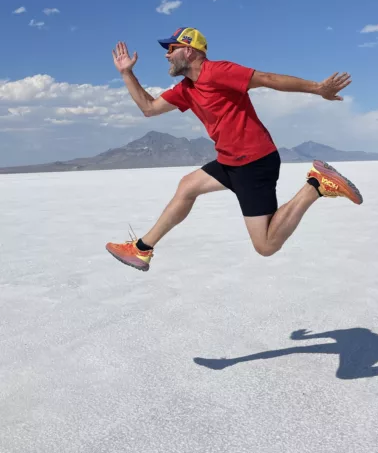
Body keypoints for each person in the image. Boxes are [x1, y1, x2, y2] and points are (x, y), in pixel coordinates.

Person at [106, 27, 363, 272]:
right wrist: (127, 73)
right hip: (231, 161)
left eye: (171, 48)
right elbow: (149, 108)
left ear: (189, 51)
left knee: (265, 246)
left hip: (254, 161)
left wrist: (317, 88)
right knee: (188, 186)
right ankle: (142, 249)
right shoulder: (186, 89)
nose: (166, 55)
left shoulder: (218, 71)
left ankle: (316, 185)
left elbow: (267, 79)